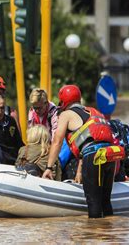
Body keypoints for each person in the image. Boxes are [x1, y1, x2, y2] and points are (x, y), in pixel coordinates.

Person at [42, 85, 122, 218]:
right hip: (109, 156)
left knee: (93, 203)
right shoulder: (94, 111)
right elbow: (89, 141)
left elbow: (57, 141)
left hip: (94, 158)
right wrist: (79, 171)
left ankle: (93, 236)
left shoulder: (66, 115)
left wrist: (49, 167)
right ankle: (110, 236)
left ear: (63, 101)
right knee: (106, 202)